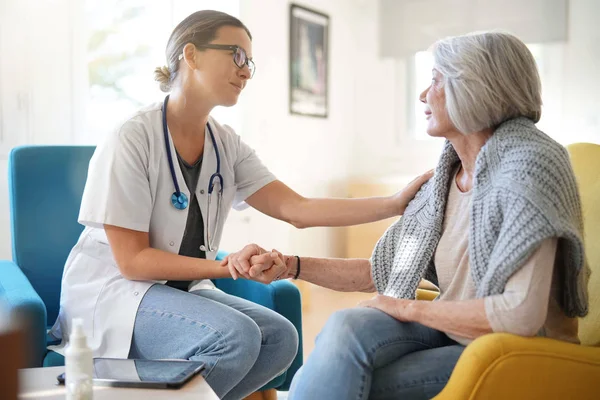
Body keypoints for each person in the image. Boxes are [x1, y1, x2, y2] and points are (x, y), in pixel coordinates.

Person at [48, 10, 432, 400]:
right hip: (118, 292)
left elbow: (296, 209)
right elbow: (132, 261)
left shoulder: (224, 144)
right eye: (236, 55)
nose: (246, 71)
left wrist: (394, 203)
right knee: (237, 338)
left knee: (280, 338)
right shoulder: (132, 138)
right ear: (191, 55)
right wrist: (226, 267)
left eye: (249, 61)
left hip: (180, 290)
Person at [234, 31, 590, 400]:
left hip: (520, 351)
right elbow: (385, 272)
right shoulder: (444, 181)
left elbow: (519, 316)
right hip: (453, 331)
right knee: (346, 325)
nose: (423, 94)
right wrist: (291, 265)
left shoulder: (530, 167)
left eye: (436, 80)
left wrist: (407, 308)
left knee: (355, 379)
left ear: (476, 88)